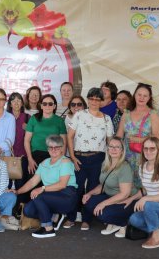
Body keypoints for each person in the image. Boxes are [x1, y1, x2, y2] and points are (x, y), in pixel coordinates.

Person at [65, 88, 113, 228]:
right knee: (76, 188)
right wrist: (72, 157)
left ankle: (86, 219)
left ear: (101, 101)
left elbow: (110, 141)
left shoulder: (106, 119)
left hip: (98, 158)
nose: (94, 102)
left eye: (97, 99)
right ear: (87, 100)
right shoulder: (79, 115)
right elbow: (69, 136)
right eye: (91, 98)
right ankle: (71, 217)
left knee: (92, 189)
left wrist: (111, 160)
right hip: (79, 157)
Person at [14, 135, 78, 238]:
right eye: (51, 147)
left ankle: (48, 228)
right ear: (47, 149)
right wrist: (17, 192)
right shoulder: (44, 163)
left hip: (66, 196)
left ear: (62, 148)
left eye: (57, 147)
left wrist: (42, 188)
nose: (54, 150)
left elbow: (62, 185)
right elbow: (32, 182)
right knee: (28, 210)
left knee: (39, 196)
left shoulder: (65, 162)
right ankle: (53, 215)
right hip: (49, 196)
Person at [81, 137, 141, 236]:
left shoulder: (124, 167)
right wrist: (89, 193)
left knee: (103, 213)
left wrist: (104, 203)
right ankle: (113, 222)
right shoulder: (106, 164)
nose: (113, 149)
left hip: (126, 201)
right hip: (111, 197)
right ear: (107, 149)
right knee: (88, 202)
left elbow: (124, 194)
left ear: (122, 151)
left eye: (117, 147)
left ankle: (123, 223)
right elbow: (103, 185)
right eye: (111, 146)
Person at [116, 83, 159, 188]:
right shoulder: (126, 113)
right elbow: (119, 135)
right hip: (126, 156)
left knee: (143, 186)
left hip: (145, 156)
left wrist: (140, 140)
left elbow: (157, 137)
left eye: (145, 96)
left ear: (149, 98)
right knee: (126, 185)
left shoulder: (153, 114)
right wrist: (115, 151)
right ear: (134, 95)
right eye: (139, 94)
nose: (141, 98)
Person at [7, 92, 30, 193]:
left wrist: (28, 128)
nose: (16, 103)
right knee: (5, 184)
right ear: (10, 104)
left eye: (19, 100)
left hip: (22, 156)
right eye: (14, 100)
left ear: (22, 103)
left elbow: (32, 137)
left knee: (21, 184)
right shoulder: (5, 117)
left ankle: (19, 206)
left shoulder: (27, 117)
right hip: (7, 156)